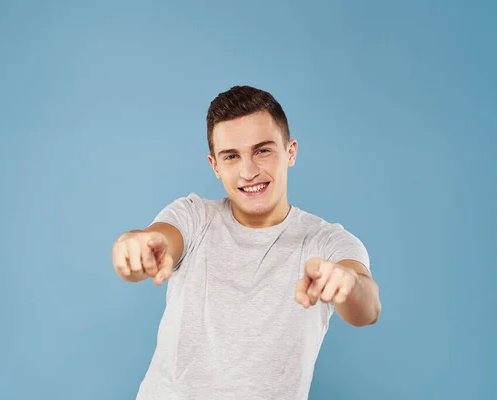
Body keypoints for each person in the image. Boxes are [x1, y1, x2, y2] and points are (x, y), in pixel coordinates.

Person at [111, 85, 382, 400]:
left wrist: (347, 282)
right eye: (231, 156)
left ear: (290, 151)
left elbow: (367, 309)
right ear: (215, 166)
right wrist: (136, 246)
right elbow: (157, 243)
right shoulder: (194, 216)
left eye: (262, 150)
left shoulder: (327, 241)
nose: (249, 171)